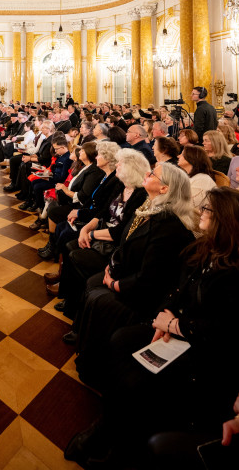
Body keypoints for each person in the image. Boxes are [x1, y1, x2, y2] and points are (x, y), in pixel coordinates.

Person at [67, 187, 239, 469]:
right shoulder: (203, 248)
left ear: (224, 219)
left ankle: (113, 444)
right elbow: (177, 288)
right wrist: (167, 311)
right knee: (121, 340)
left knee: (136, 380)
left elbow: (223, 329)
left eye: (207, 209)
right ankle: (107, 426)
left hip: (204, 350)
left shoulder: (233, 271)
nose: (200, 212)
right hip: (178, 329)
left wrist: (174, 324)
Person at [71, 163, 195, 383]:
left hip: (144, 295)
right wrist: (112, 265)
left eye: (153, 174)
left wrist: (114, 284)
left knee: (99, 297)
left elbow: (149, 278)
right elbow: (124, 241)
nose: (147, 173)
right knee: (92, 284)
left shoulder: (168, 225)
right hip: (127, 273)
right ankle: (83, 342)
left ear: (164, 189)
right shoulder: (147, 208)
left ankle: (94, 368)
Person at [51, 148, 150, 317]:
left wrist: (90, 235)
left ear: (131, 168)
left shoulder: (140, 194)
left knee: (76, 254)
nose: (116, 165)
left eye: (120, 164)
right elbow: (103, 211)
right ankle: (70, 298)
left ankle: (75, 306)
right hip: (103, 231)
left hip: (115, 244)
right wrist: (86, 229)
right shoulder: (121, 185)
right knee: (70, 246)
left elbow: (121, 231)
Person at [177, 144, 217, 211]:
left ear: (191, 158)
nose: (178, 156)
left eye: (182, 154)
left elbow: (189, 207)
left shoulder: (202, 180)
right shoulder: (191, 177)